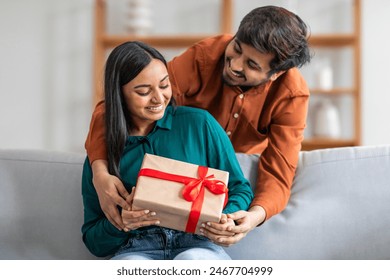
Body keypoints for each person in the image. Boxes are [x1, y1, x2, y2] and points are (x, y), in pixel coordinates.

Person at [85, 6, 311, 246]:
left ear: (276, 74)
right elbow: (116, 106)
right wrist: (99, 173)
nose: (235, 65)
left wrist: (254, 215)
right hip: (181, 163)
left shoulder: (292, 96)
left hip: (237, 170)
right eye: (236, 48)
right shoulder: (203, 56)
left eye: (252, 65)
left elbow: (279, 171)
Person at [81, 41, 253, 259]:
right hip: (136, 247)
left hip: (198, 243)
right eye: (143, 91)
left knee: (191, 262)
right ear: (119, 94)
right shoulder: (102, 155)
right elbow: (94, 241)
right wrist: (121, 223)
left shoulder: (199, 124)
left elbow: (240, 188)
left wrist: (225, 218)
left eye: (164, 86)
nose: (158, 98)